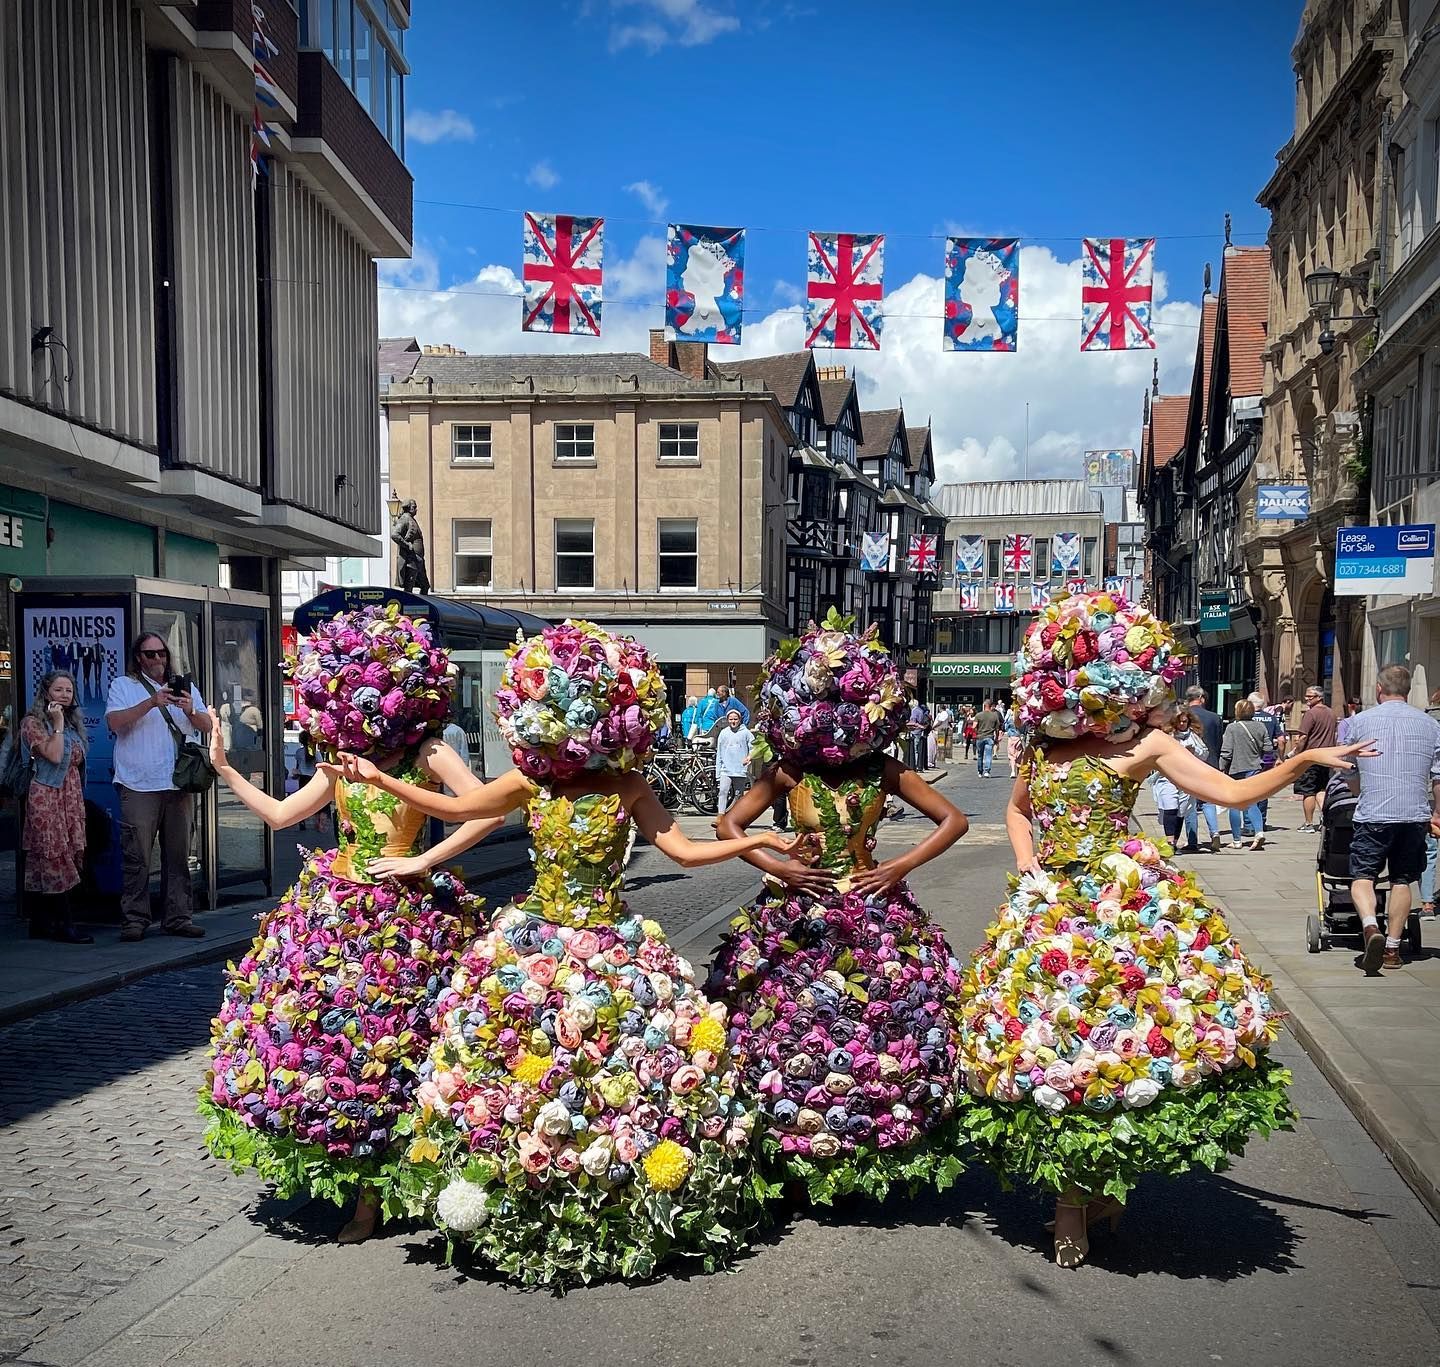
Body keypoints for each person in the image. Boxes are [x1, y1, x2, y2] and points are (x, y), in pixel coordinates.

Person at [329, 619, 798, 1286]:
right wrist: (383, 778)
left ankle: (608, 1190)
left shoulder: (629, 785)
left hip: (611, 934)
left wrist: (757, 846)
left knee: (628, 1049)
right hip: (533, 933)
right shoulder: (530, 784)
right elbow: (454, 808)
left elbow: (686, 851)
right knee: (507, 1041)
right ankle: (518, 1185)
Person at [954, 590, 1369, 1268]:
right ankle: (1069, 1198)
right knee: (1047, 1045)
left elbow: (1228, 794)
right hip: (1049, 908)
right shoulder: (1039, 747)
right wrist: (1029, 866)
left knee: (1119, 1044)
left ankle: (1095, 1187)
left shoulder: (1147, 743)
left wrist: (1301, 763)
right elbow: (1017, 813)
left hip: (1121, 908)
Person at [201, 604, 502, 1245]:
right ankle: (362, 1183)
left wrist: (422, 857)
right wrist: (225, 768)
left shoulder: (428, 750)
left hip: (410, 916)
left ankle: (404, 1180)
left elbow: (485, 814)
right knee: (350, 1051)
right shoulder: (340, 760)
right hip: (341, 909)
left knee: (410, 1048)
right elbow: (284, 816)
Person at [708, 608, 970, 1201]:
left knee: (888, 1022)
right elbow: (729, 826)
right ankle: (787, 1146)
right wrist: (779, 869)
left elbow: (953, 819)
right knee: (783, 1024)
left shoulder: (885, 771)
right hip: (797, 914)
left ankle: (876, 1147)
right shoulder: (788, 771)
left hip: (873, 906)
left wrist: (901, 865)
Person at [105, 632, 212, 942]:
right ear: (138, 657)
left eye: (161, 653)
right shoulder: (124, 686)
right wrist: (152, 702)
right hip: (138, 783)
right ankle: (135, 919)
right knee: (136, 855)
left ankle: (178, 917)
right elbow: (115, 723)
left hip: (177, 782)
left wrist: (191, 708)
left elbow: (207, 725)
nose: (157, 660)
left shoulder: (185, 686)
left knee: (178, 856)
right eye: (150, 654)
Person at [1344, 664, 1440, 972]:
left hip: (1373, 811)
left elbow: (1351, 775)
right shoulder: (1430, 725)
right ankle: (1393, 950)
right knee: (1402, 879)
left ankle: (1371, 926)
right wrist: (1437, 812)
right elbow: (1438, 777)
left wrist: (1361, 788)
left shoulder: (1358, 722)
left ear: (1378, 689)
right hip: (1414, 814)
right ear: (1408, 690)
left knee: (1362, 877)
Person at [19, 671, 93, 943]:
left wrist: (65, 724)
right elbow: (53, 754)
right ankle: (64, 924)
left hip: (69, 795)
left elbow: (76, 760)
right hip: (46, 795)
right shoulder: (33, 723)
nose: (64, 695)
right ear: (47, 692)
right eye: (59, 690)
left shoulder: (74, 726)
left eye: (69, 691)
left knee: (69, 853)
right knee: (53, 855)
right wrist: (58, 723)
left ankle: (40, 921)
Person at [1220, 698, 1274, 851]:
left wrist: (1221, 768)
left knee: (1235, 804)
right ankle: (1259, 832)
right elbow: (1269, 748)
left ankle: (1237, 840)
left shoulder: (1232, 728)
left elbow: (1226, 752)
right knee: (1252, 802)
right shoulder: (1261, 726)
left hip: (1236, 770)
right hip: (1255, 768)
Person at [1172, 708, 1219, 852]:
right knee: (1174, 809)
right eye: (1179, 721)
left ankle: (1188, 842)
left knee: (1188, 808)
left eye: (1185, 721)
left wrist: (1195, 752)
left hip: (1191, 776)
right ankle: (1175, 840)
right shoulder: (1169, 736)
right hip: (1173, 776)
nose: (1182, 724)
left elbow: (1204, 753)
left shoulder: (1193, 736)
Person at [1293, 685, 1339, 832]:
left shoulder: (1311, 714)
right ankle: (1325, 818)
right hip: (1326, 757)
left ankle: (1308, 823)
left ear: (1319, 697)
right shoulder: (1331, 713)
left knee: (1308, 791)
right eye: (1306, 696)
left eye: (1310, 696)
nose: (1306, 699)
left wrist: (1296, 753)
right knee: (1322, 789)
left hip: (1311, 757)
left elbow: (1303, 737)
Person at [714, 707, 754, 811]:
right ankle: (721, 815)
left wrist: (749, 757)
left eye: (735, 719)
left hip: (740, 769)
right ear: (727, 720)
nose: (733, 721)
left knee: (738, 794)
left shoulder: (746, 733)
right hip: (725, 769)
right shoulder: (723, 733)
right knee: (722, 792)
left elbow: (754, 747)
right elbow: (719, 753)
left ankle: (735, 816)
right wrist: (718, 773)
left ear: (740, 719)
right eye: (731, 719)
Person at [972, 697, 1001, 777]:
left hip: (980, 737)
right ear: (991, 706)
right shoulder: (994, 716)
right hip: (990, 737)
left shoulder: (978, 715)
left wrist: (977, 733)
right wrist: (996, 738)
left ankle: (980, 772)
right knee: (988, 755)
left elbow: (974, 727)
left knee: (980, 755)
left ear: (984, 705)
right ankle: (987, 771)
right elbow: (997, 729)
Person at [1003, 701, 1023, 778]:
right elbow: (1024, 729)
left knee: (1011, 755)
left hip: (1011, 738)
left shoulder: (1010, 719)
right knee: (1018, 755)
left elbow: (1005, 727)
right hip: (1018, 737)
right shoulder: (1021, 718)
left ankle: (1013, 771)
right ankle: (1018, 772)